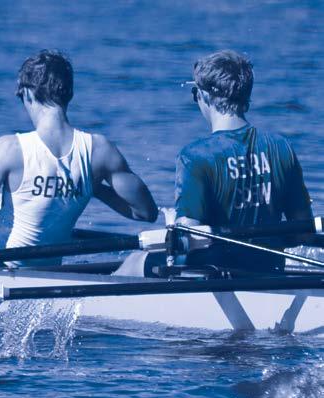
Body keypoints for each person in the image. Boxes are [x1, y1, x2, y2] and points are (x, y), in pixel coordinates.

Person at [0, 50, 158, 266]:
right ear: (69, 94)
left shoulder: (9, 148)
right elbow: (146, 212)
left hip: (4, 263)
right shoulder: (100, 151)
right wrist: (93, 187)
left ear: (27, 93)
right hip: (49, 267)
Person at [119, 49, 313, 276]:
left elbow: (187, 241)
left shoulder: (195, 157)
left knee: (134, 261)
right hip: (269, 270)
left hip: (214, 274)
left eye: (194, 92)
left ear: (205, 96)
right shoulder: (281, 148)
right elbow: (303, 233)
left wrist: (173, 225)